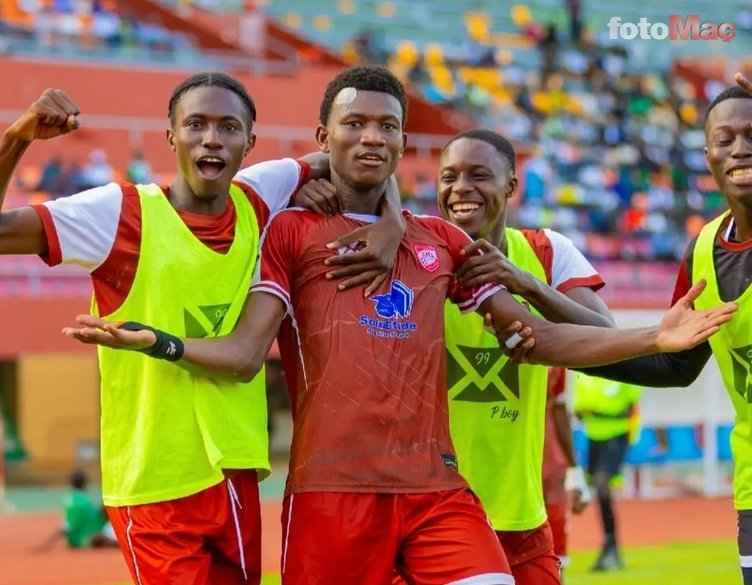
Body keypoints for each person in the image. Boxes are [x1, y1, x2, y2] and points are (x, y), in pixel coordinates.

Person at [63, 66, 736, 585]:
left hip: (434, 491)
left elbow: (530, 340)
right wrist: (159, 341)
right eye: (354, 124)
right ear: (323, 140)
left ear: (403, 142)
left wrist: (652, 336)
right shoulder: (287, 231)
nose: (372, 137)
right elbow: (244, 353)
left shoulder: (441, 241)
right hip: (330, 496)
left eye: (387, 126)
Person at [0, 72, 402, 584]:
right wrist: (17, 138)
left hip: (235, 470)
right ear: (171, 137)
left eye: (228, 127)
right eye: (195, 125)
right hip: (155, 482)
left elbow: (358, 156)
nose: (212, 138)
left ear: (249, 143)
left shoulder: (260, 194)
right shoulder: (118, 214)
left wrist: (393, 223)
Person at [570, 76, 752, 584]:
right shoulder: (703, 251)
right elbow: (675, 365)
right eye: (725, 139)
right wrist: (561, 345)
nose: (741, 149)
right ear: (708, 156)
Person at [434, 128, 613, 585]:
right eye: (449, 177)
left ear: (512, 185)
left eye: (479, 175)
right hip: (435, 516)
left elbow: (606, 342)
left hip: (522, 518)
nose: (461, 188)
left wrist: (525, 283)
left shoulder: (547, 252)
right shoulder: (417, 256)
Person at [572, 372, 641, 571]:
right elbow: (578, 412)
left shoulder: (622, 372)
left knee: (602, 484)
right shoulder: (584, 375)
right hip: (593, 438)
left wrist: (596, 412)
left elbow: (630, 411)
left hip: (617, 436)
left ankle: (611, 545)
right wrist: (589, 412)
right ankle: (609, 546)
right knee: (599, 490)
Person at [542, 367, 590, 581]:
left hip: (549, 466)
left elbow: (559, 408)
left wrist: (576, 472)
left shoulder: (553, 357)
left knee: (556, 557)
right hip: (500, 467)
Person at [35, 469, 119, 551]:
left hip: (88, 533)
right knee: (100, 538)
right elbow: (66, 527)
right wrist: (46, 545)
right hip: (83, 538)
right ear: (84, 482)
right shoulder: (77, 502)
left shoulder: (73, 498)